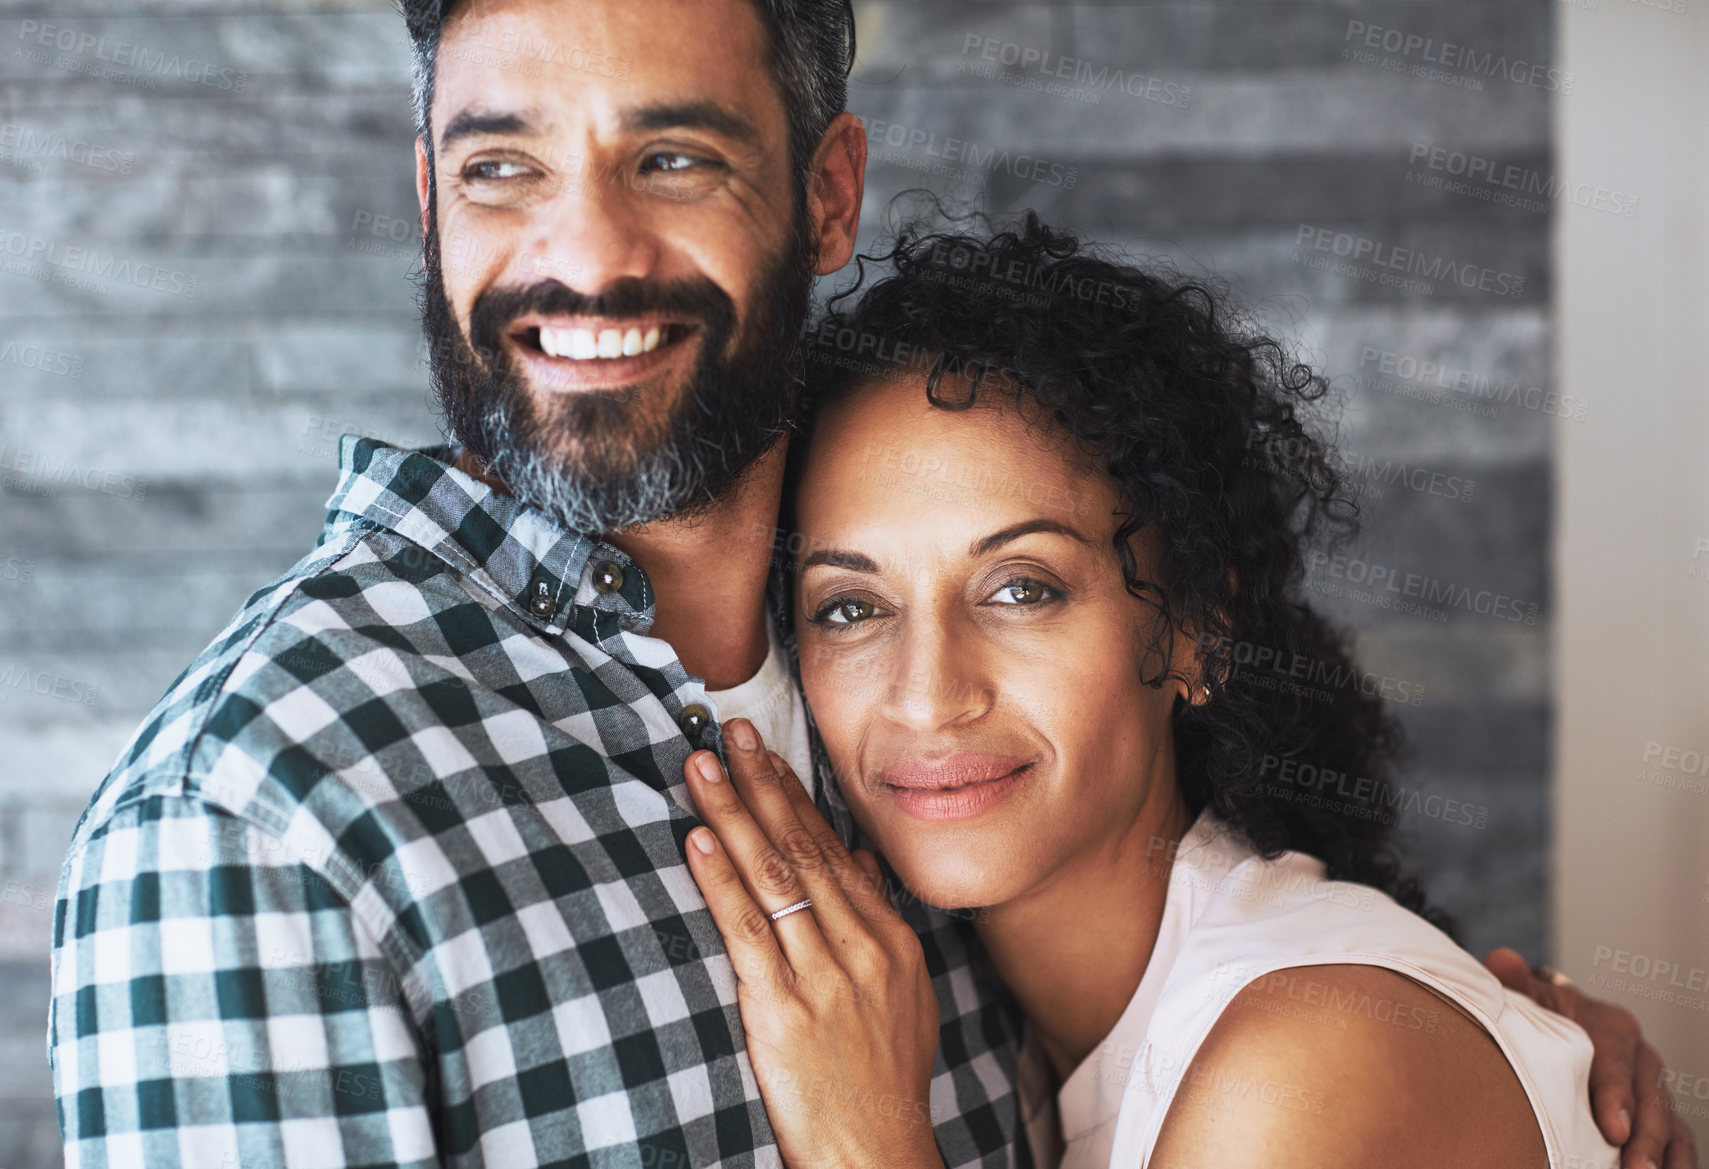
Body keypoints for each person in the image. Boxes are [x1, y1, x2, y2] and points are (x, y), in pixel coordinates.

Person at [45, 0, 1689, 1164]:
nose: (587, 252)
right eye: (499, 167)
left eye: (672, 157)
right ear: (423, 199)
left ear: (823, 192)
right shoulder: (252, 823)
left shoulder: (879, 767)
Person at [678, 215, 1699, 1169]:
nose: (926, 693)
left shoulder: (1295, 1062)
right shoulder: (1029, 1036)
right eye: (850, 606)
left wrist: (868, 1142)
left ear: (1190, 633)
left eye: (1019, 588)